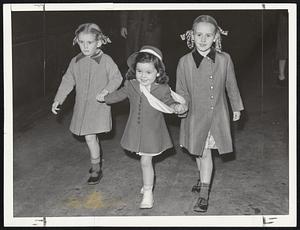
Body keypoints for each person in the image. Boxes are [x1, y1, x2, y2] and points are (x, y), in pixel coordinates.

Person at [97, 45, 187, 209]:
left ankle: (148, 193)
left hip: (152, 133)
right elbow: (120, 94)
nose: (143, 76)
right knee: (144, 161)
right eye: (139, 71)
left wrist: (176, 106)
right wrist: (106, 98)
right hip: (135, 130)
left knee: (146, 161)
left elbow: (169, 101)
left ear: (158, 72)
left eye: (148, 72)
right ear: (134, 70)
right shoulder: (131, 85)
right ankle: (148, 183)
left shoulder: (162, 89)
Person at [177, 15, 244, 212]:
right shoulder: (184, 62)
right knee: (197, 150)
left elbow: (231, 84)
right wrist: (180, 106)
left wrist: (237, 106)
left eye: (208, 35)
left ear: (216, 37)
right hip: (194, 115)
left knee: (205, 153)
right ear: (192, 35)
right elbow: (181, 90)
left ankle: (204, 194)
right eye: (199, 34)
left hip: (216, 115)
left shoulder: (224, 59)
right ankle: (202, 178)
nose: (203, 39)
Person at [51, 23, 123, 185]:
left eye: (89, 42)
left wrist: (106, 91)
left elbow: (117, 78)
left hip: (98, 106)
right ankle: (96, 162)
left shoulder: (106, 60)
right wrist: (59, 99)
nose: (85, 46)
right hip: (82, 106)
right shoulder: (76, 61)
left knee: (90, 137)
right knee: (90, 137)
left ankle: (96, 168)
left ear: (99, 42)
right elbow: (68, 80)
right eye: (81, 42)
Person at [276, 11, 288, 87]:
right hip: (284, 15)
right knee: (283, 43)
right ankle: (281, 76)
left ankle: (281, 76)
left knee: (283, 43)